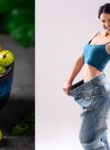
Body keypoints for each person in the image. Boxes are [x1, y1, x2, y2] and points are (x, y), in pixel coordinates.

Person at [63, 3, 110, 150]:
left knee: (87, 139)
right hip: (86, 88)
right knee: (99, 132)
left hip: (99, 90)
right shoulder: (95, 35)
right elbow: (81, 58)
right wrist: (69, 81)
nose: (106, 24)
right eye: (103, 20)